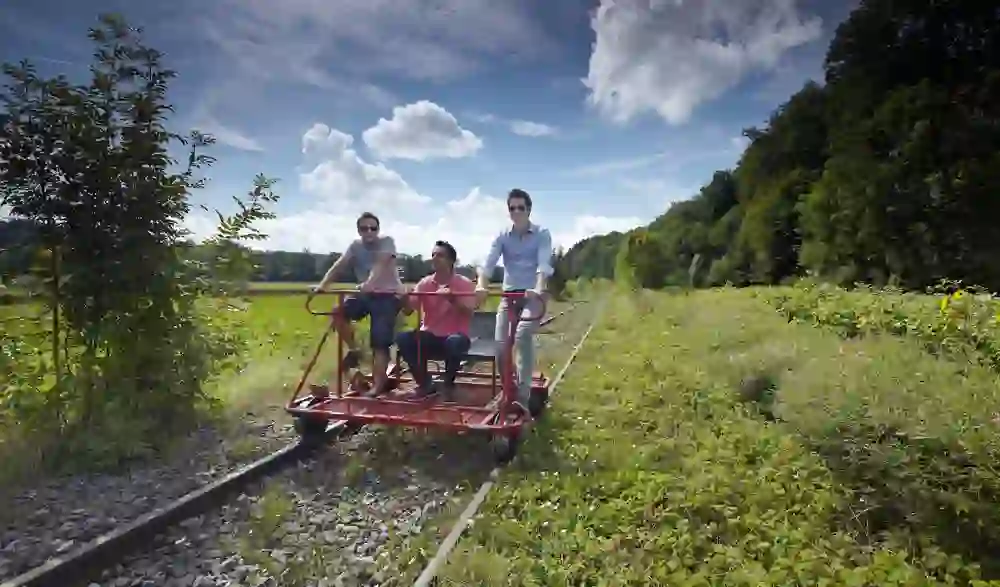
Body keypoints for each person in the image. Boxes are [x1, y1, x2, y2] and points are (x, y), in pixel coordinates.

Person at [476, 188, 553, 414]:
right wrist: (481, 284)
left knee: (522, 335)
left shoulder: (542, 234)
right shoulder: (502, 235)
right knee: (501, 347)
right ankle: (507, 391)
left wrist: (538, 289)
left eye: (521, 207)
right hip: (509, 295)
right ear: (508, 211)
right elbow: (488, 264)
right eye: (512, 208)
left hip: (532, 296)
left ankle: (522, 395)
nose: (516, 211)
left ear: (529, 210)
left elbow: (543, 265)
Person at [309, 212, 403, 395]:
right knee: (338, 312)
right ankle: (355, 350)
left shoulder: (386, 242)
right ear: (358, 230)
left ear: (378, 229)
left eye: (373, 228)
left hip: (387, 295)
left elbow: (381, 264)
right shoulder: (355, 246)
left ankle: (377, 386)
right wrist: (323, 285)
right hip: (366, 294)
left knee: (380, 342)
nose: (369, 231)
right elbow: (340, 265)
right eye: (364, 228)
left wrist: (369, 283)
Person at [396, 240, 478, 400]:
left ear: (451, 261)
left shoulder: (464, 284)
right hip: (430, 335)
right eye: (433, 255)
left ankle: (448, 385)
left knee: (454, 342)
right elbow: (408, 311)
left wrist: (452, 299)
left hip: (456, 337)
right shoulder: (425, 283)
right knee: (403, 338)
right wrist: (404, 298)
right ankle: (426, 384)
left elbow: (469, 313)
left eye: (440, 255)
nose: (434, 258)